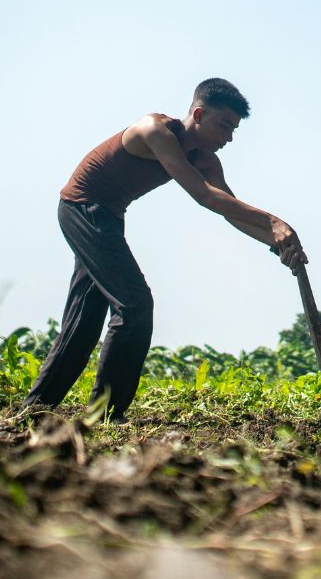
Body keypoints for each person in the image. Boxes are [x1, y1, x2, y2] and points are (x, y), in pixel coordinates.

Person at [22, 78, 305, 421]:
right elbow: (204, 196)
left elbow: (228, 208)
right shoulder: (155, 131)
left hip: (108, 217)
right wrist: (275, 221)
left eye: (234, 131)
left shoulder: (206, 161)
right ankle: (105, 414)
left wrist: (277, 242)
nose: (228, 138)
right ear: (198, 114)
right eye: (224, 126)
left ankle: (35, 410)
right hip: (83, 209)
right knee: (135, 304)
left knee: (84, 319)